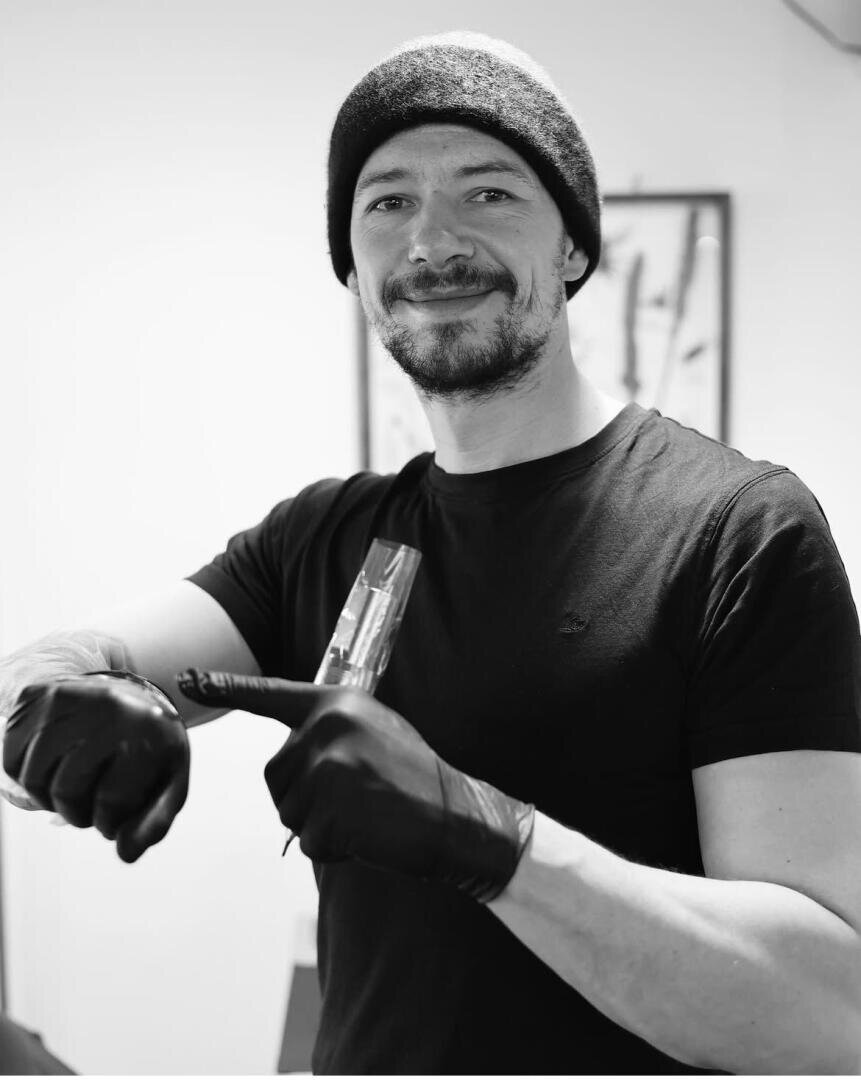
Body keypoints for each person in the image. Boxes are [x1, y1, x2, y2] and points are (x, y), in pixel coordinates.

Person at [2, 30, 860, 1076]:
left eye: (490, 193)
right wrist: (64, 711)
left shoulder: (739, 532)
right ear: (354, 269)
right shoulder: (320, 537)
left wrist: (485, 837)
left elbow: (827, 1016)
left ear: (576, 247)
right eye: (388, 202)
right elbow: (42, 670)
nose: (432, 241)